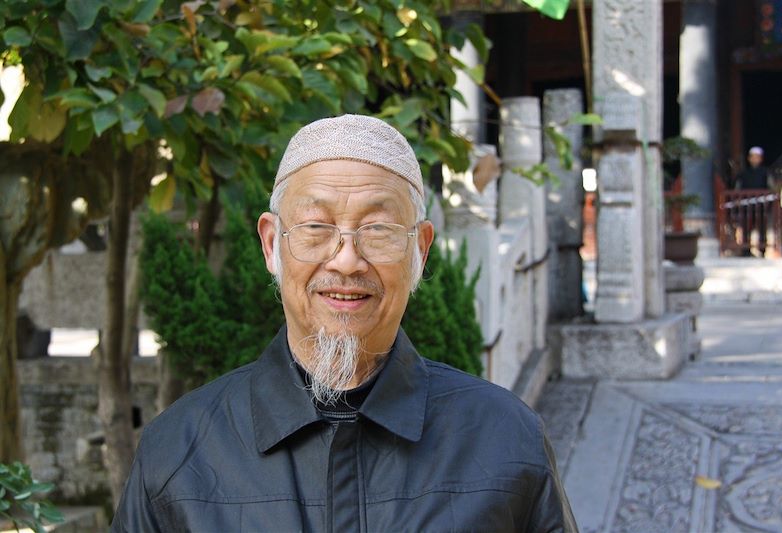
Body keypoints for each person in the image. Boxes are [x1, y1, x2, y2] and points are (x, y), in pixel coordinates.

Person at [111, 114, 576, 532]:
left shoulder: (505, 439)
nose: (348, 260)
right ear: (272, 245)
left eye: (378, 229)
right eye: (316, 227)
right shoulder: (178, 452)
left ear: (420, 249)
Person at [735, 146, 771, 256]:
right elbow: (738, 188)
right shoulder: (743, 173)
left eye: (757, 157)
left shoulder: (765, 172)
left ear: (761, 159)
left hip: (761, 205)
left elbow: (770, 187)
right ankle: (746, 250)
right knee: (746, 227)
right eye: (753, 157)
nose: (755, 159)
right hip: (746, 205)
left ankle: (762, 249)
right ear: (749, 158)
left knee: (762, 227)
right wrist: (738, 199)